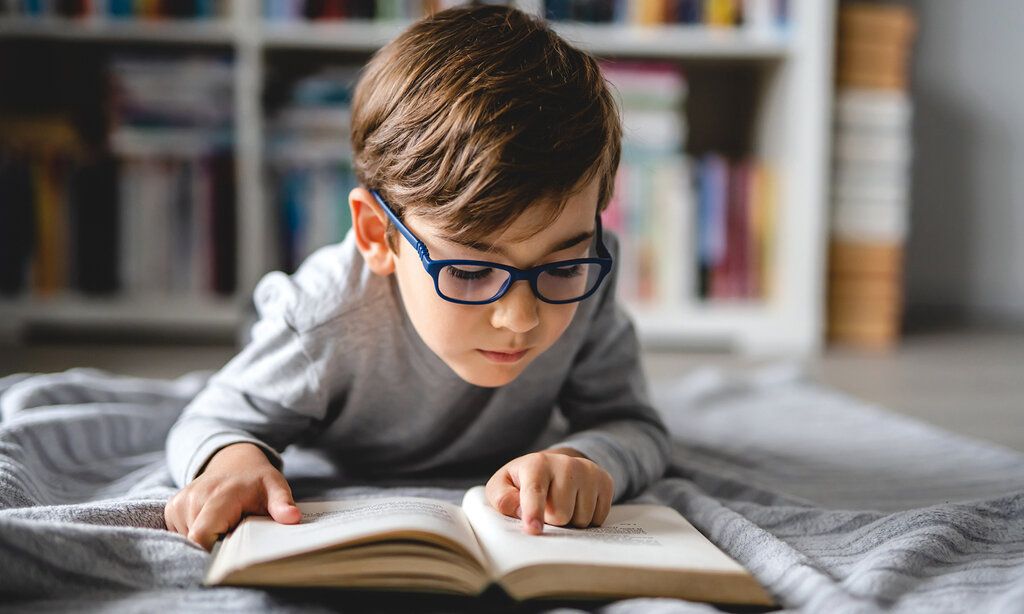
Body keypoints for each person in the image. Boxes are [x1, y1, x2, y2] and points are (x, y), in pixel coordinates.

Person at [163, 3, 670, 551]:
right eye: (471, 270)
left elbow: (633, 423)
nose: (521, 317)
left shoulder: (590, 282)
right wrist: (234, 461)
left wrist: (584, 460)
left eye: (564, 265)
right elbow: (209, 420)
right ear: (379, 237)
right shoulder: (322, 321)